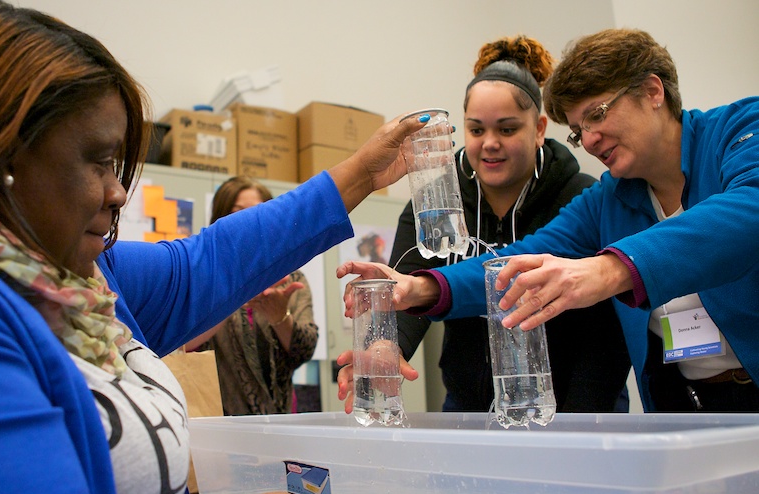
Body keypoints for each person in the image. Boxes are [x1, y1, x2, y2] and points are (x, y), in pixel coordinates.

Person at [0, 1, 428, 494]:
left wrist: (360, 175)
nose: (119, 193)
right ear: (1, 155)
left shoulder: (88, 281)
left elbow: (213, 260)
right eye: (97, 161)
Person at [337, 28, 759, 414]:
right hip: (686, 404)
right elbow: (520, 259)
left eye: (597, 115)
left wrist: (609, 269)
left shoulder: (739, 131)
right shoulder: (608, 199)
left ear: (652, 90)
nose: (589, 140)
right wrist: (419, 287)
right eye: (578, 130)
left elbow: (747, 211)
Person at [385, 35, 630, 413]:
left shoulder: (581, 197)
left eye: (507, 129)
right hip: (468, 406)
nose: (489, 144)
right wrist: (389, 346)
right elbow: (408, 284)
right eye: (477, 130)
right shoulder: (436, 205)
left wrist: (582, 422)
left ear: (539, 129)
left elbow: (606, 333)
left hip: (574, 406)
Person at [186, 176, 318, 416]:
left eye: (259, 213)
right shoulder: (205, 274)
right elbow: (181, 344)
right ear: (220, 219)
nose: (250, 222)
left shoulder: (290, 277)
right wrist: (230, 298)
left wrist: (280, 318)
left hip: (280, 419)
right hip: (215, 418)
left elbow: (304, 351)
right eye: (238, 212)